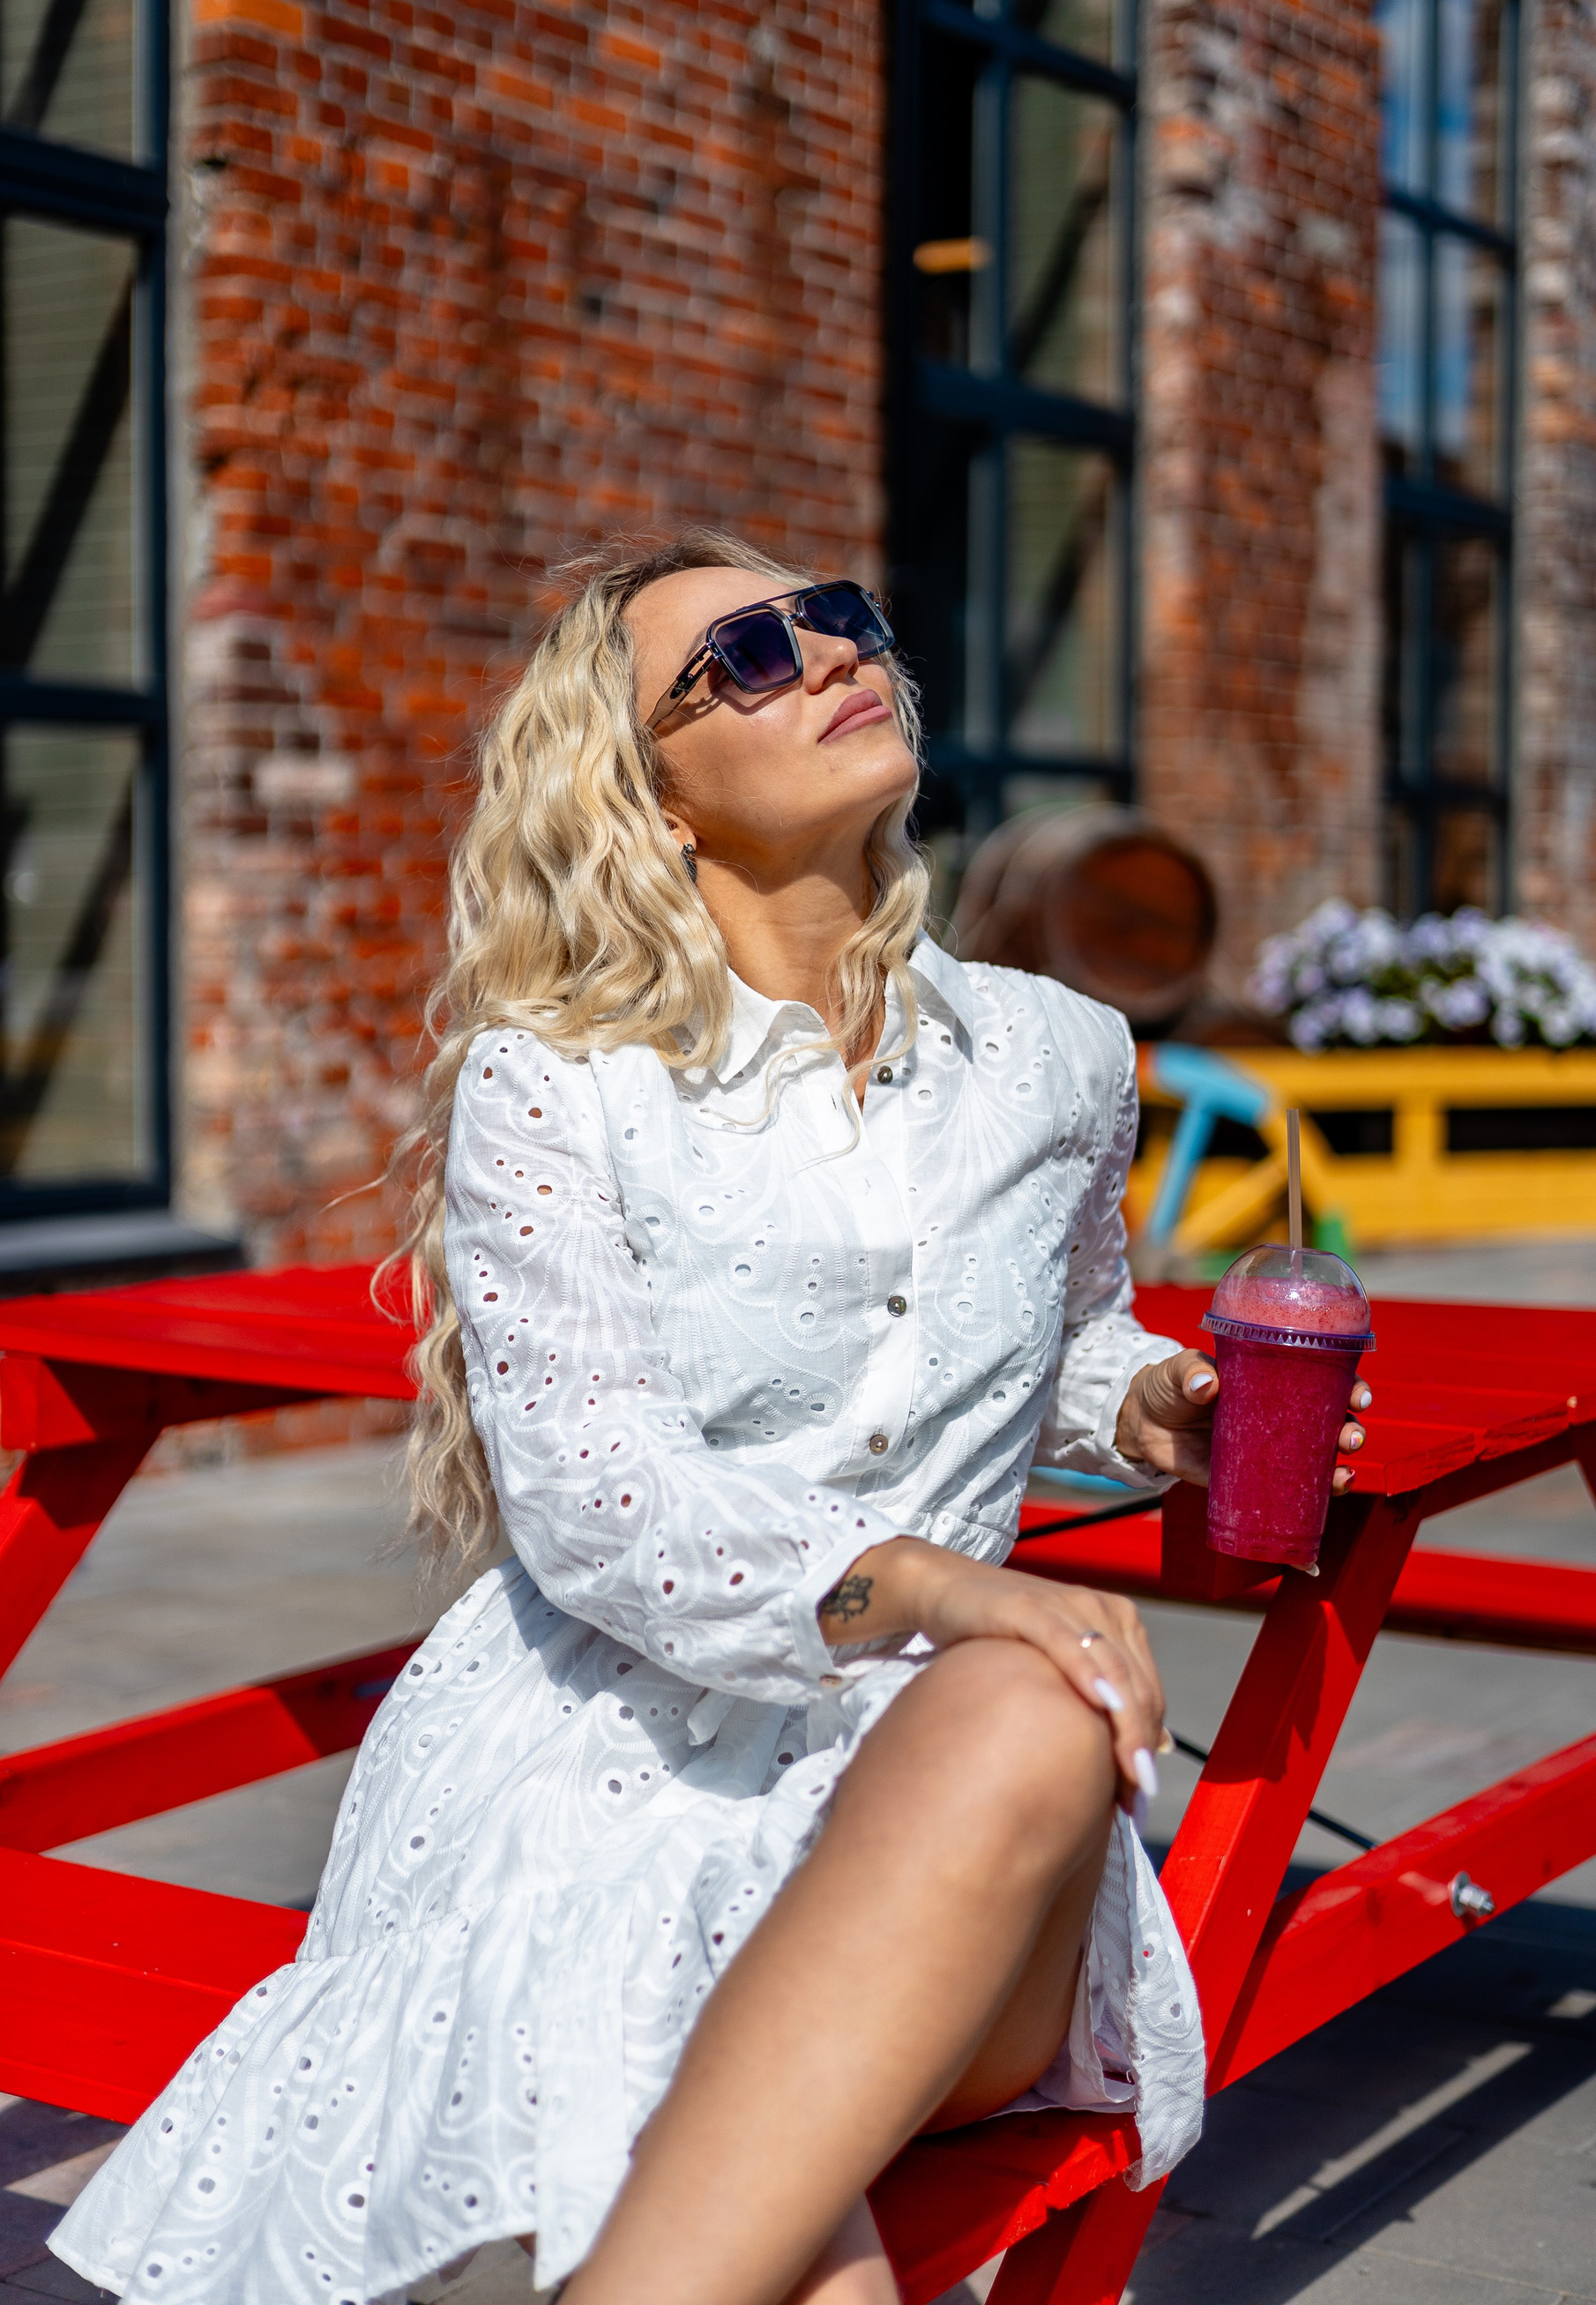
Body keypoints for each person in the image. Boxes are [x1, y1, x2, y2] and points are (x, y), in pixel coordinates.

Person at [52, 533, 1367, 2305]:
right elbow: (601, 1503)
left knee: (1029, 1705)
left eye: (838, 620)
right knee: (799, 2230)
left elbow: (1057, 1336)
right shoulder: (556, 1085)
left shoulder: (1060, 1057)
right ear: (649, 794)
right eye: (744, 655)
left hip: (946, 1787)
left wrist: (1154, 1404)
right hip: (605, 1773)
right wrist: (941, 1581)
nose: (826, 656)